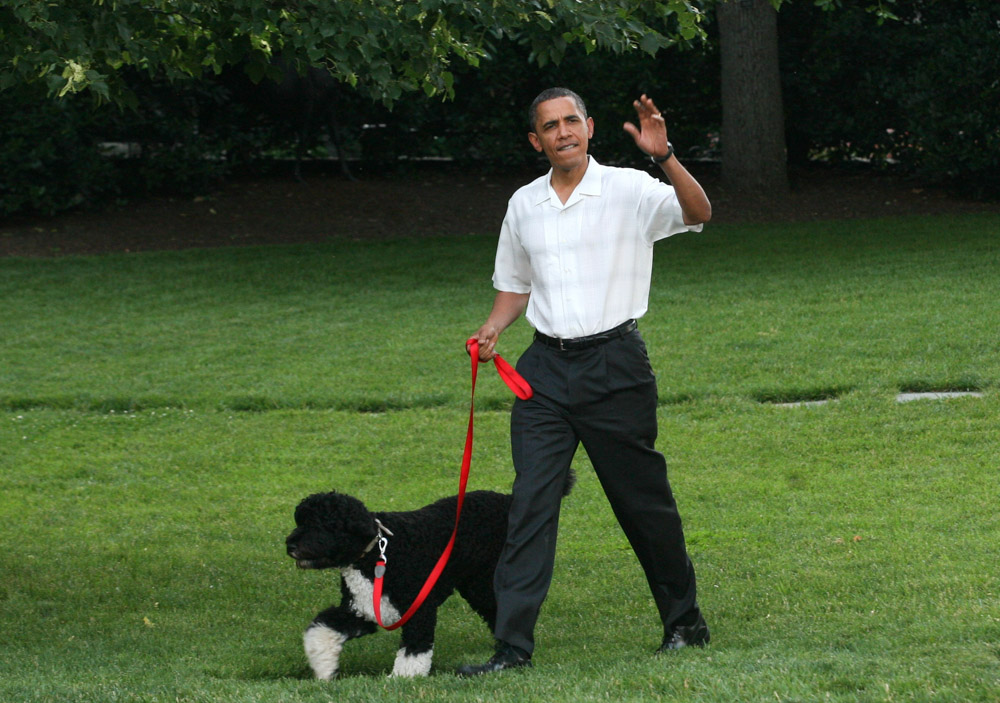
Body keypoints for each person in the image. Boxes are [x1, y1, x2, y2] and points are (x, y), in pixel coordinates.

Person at [457, 87, 712, 676]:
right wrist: (493, 327)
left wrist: (665, 155)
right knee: (529, 508)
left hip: (615, 367)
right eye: (550, 125)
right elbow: (514, 285)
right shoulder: (523, 205)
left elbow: (699, 213)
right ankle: (512, 649)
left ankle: (684, 622)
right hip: (544, 371)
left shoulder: (630, 188)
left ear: (590, 127)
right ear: (536, 140)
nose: (563, 131)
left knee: (642, 505)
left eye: (572, 120)